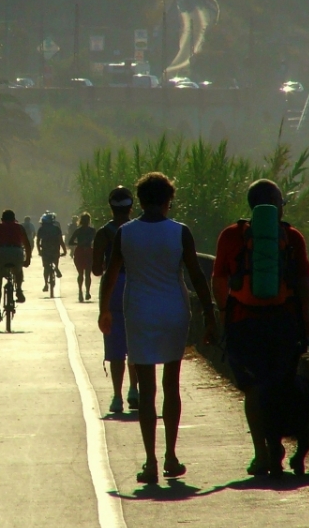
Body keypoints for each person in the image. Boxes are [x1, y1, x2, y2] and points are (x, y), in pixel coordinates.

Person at [99, 172, 216, 484]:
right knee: (171, 385)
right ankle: (171, 456)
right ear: (168, 201)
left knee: (147, 389)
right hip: (173, 312)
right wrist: (210, 314)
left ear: (140, 200)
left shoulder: (125, 233)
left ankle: (150, 462)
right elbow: (196, 276)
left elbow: (110, 274)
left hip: (138, 312)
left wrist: (103, 311)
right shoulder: (180, 232)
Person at [212, 178, 309, 478]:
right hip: (283, 322)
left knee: (254, 388)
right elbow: (304, 281)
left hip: (244, 321)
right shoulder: (292, 236)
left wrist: (221, 311)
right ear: (278, 207)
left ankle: (262, 453)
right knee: (282, 381)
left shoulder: (231, 235)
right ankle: (283, 443)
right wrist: (305, 316)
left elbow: (219, 280)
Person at [92, 186, 139, 414]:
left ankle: (118, 396)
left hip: (112, 290)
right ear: (132, 207)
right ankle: (135, 391)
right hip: (137, 289)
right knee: (136, 342)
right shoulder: (138, 229)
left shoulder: (103, 233)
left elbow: (96, 270)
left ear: (110, 207)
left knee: (116, 345)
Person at [0, 209, 33, 321]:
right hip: (16, 252)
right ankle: (19, 290)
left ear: (2, 219)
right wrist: (27, 260)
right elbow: (27, 245)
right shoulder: (19, 227)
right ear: (14, 219)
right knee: (18, 271)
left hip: (1, 252)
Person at [69, 212, 96, 302]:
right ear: (89, 221)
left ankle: (80, 292)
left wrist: (79, 243)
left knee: (80, 273)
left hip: (79, 251)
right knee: (88, 274)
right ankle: (87, 292)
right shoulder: (92, 231)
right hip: (88, 251)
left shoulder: (78, 231)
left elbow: (70, 242)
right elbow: (97, 241)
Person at [36, 212, 66, 290]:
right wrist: (65, 250)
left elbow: (38, 241)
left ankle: (46, 284)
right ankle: (56, 267)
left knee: (46, 268)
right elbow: (61, 241)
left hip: (45, 250)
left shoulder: (41, 229)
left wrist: (39, 251)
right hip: (55, 250)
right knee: (55, 260)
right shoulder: (56, 228)